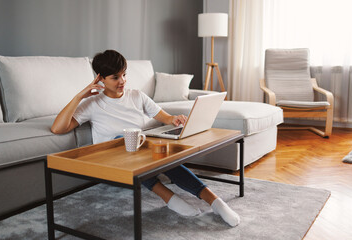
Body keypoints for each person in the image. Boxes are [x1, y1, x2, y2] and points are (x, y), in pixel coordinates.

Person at [51, 50, 240, 227]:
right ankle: (170, 198)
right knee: (123, 138)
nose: (122, 81)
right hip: (114, 166)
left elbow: (164, 116)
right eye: (115, 77)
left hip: (141, 158)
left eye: (124, 74)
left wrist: (175, 120)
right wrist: (79, 96)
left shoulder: (137, 96)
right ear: (100, 78)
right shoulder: (92, 104)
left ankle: (215, 202)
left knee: (167, 156)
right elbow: (58, 128)